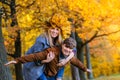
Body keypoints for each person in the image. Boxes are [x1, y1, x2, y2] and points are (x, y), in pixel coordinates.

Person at [5, 37, 92, 80]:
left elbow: (77, 62)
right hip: (45, 74)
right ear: (62, 45)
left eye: (70, 49)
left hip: (55, 75)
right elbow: (34, 56)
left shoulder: (70, 55)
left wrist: (85, 69)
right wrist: (17, 60)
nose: (67, 50)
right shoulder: (52, 52)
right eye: (66, 47)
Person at [21, 13, 74, 80]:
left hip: (48, 68)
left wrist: (66, 60)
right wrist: (46, 60)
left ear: (60, 31)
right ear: (48, 28)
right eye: (52, 28)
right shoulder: (41, 40)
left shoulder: (59, 41)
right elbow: (35, 59)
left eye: (57, 29)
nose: (54, 31)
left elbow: (72, 51)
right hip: (34, 67)